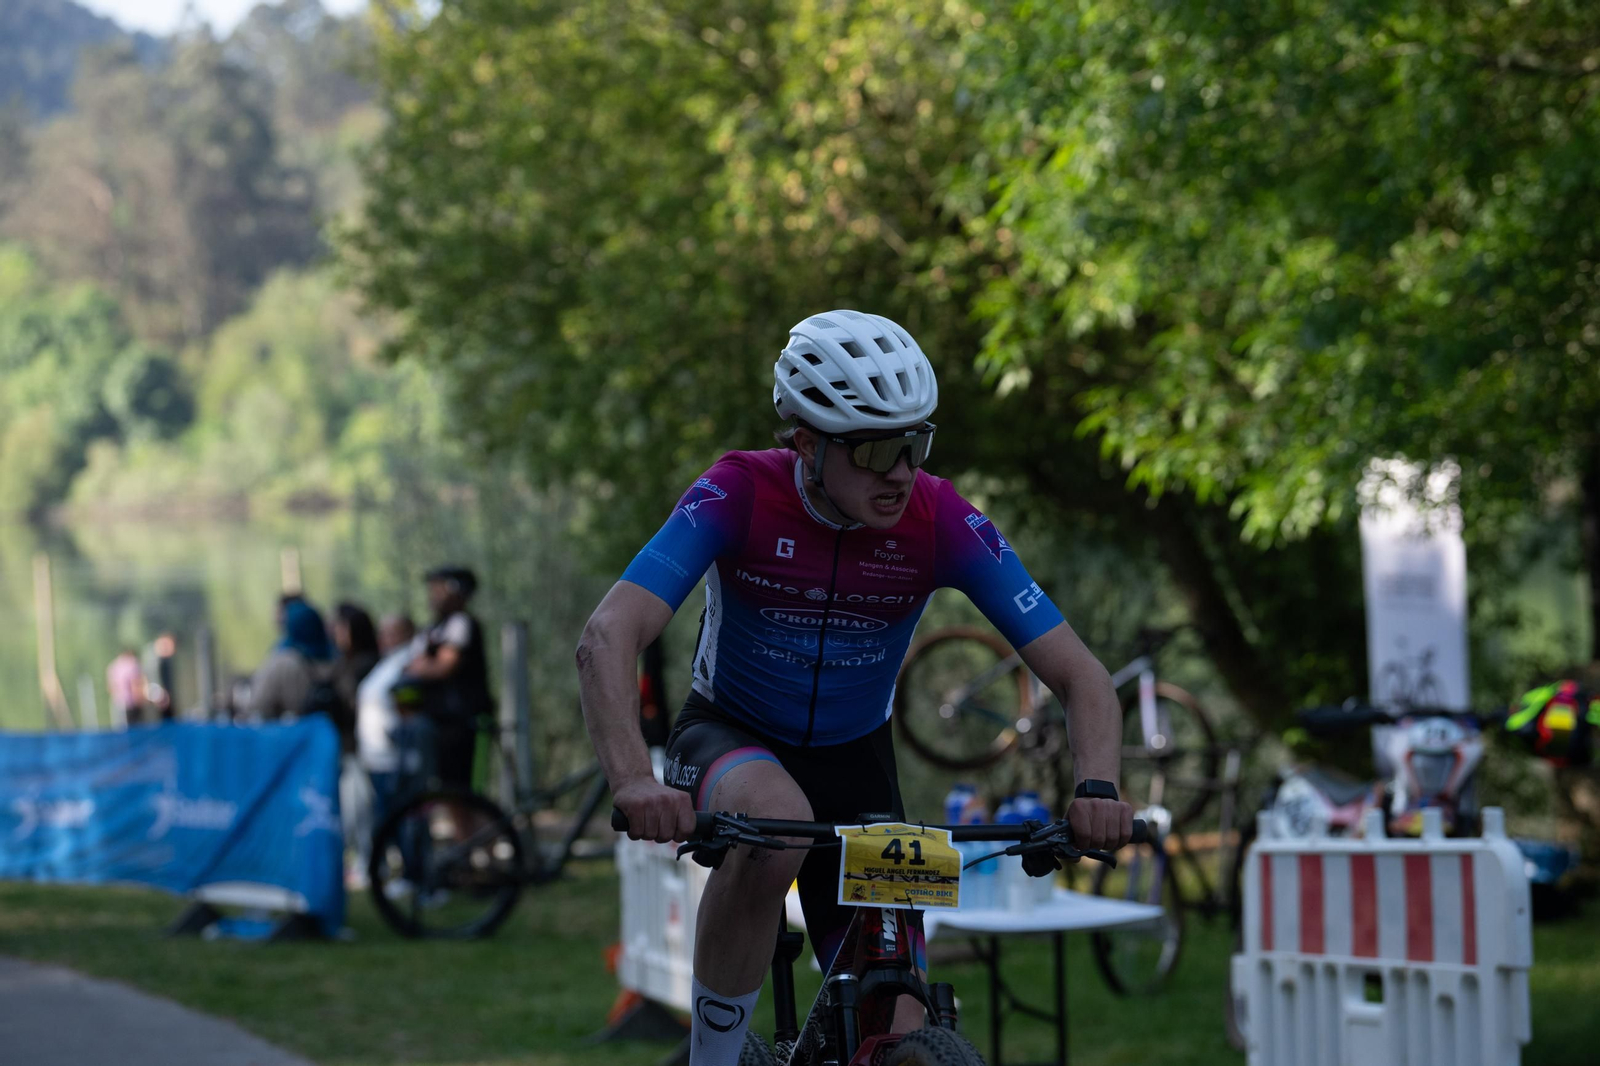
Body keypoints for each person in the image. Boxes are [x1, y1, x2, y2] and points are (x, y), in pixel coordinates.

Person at [577, 309, 1134, 1066]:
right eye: (875, 448)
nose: (901, 470)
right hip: (732, 736)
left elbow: (1083, 676)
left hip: (858, 762)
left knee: (903, 1026)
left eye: (916, 443)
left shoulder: (939, 517)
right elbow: (608, 635)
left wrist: (1098, 786)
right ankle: (715, 1057)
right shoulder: (738, 491)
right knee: (776, 818)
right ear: (805, 443)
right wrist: (634, 781)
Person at [403, 566, 492, 789]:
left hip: (461, 723)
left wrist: (424, 666)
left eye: (438, 588)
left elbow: (443, 667)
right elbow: (413, 665)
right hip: (440, 723)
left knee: (462, 790)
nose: (432, 595)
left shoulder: (461, 623)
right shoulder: (434, 628)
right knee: (448, 789)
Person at [247, 598, 334, 720]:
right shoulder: (337, 659)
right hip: (334, 735)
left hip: (296, 734)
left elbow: (259, 704)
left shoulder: (282, 662)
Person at [330, 602, 382, 753]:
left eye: (343, 628)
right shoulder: (342, 662)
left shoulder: (367, 665)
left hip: (363, 741)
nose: (337, 632)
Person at [105, 648, 146, 729]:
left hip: (118, 704)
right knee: (136, 730)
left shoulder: (112, 666)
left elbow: (110, 688)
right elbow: (135, 684)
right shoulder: (132, 664)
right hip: (132, 704)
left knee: (121, 730)